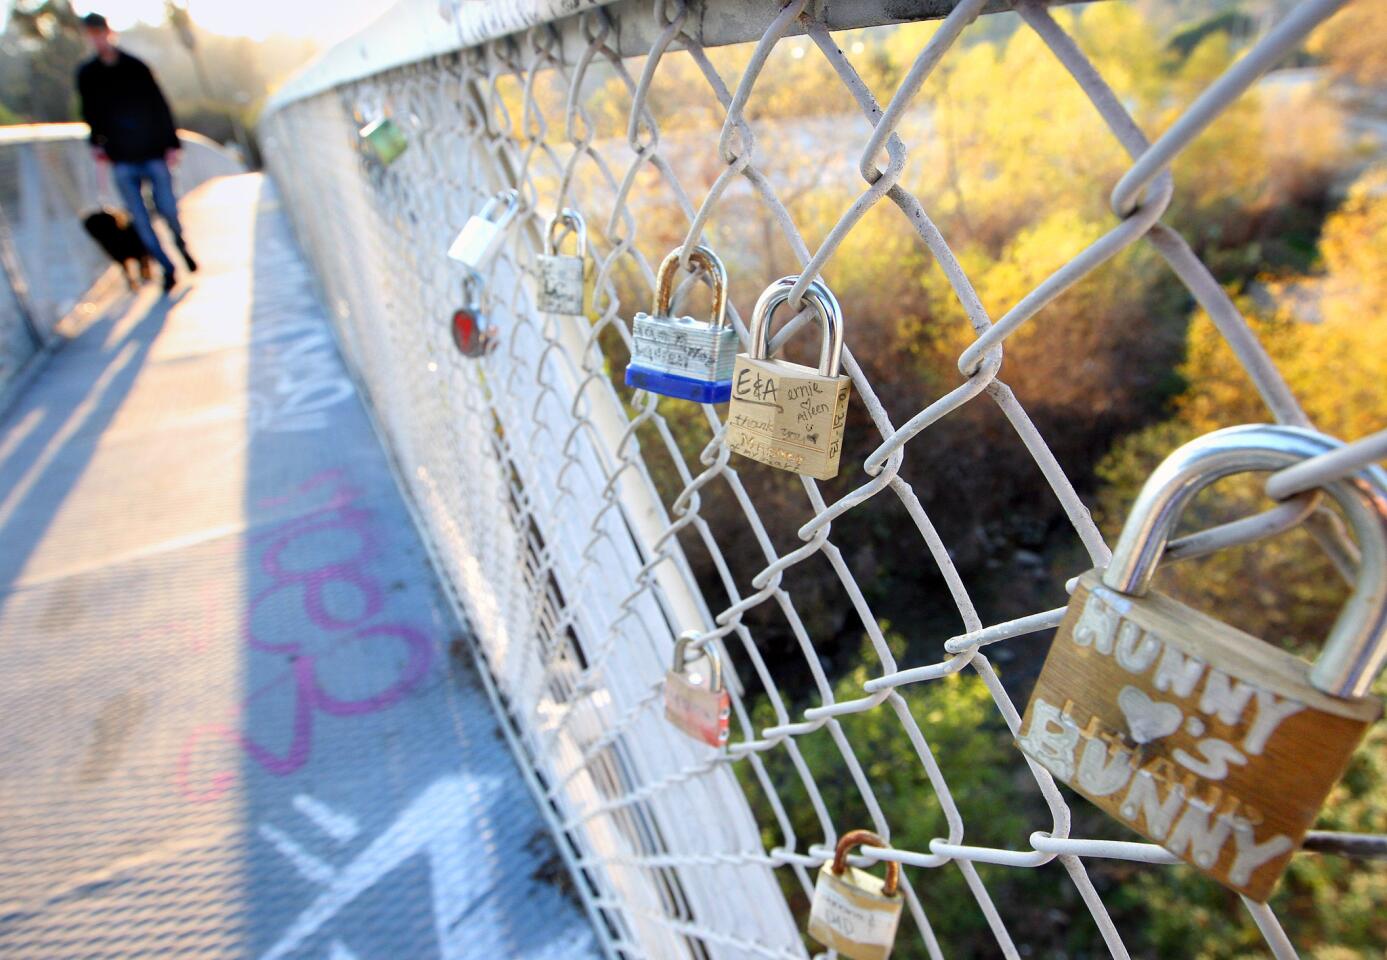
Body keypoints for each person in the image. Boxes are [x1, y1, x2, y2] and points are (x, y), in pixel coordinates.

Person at [76, 12, 197, 294]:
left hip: (153, 152)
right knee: (140, 222)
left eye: (99, 32)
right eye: (91, 34)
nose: (97, 38)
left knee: (167, 209)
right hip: (121, 159)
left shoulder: (135, 67)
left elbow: (159, 105)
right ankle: (167, 269)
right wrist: (96, 143)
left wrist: (172, 144)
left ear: (109, 32)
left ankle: (181, 245)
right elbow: (90, 114)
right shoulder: (87, 74)